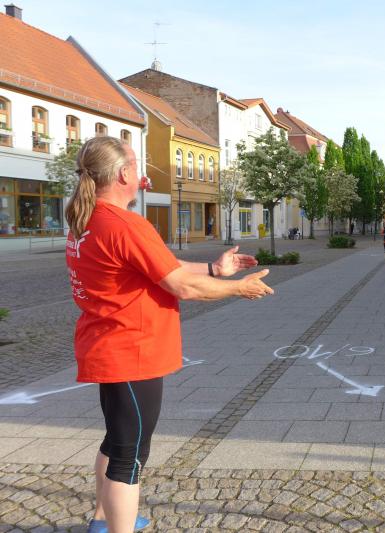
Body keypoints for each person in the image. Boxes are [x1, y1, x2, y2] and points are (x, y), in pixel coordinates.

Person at [65, 137, 273, 533]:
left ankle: (102, 520)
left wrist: (214, 270)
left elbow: (162, 265)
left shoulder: (89, 220)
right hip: (132, 351)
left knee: (117, 440)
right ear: (123, 174)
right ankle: (117, 527)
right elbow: (181, 286)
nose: (141, 171)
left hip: (109, 346)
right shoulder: (125, 224)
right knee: (130, 455)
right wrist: (238, 288)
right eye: (136, 164)